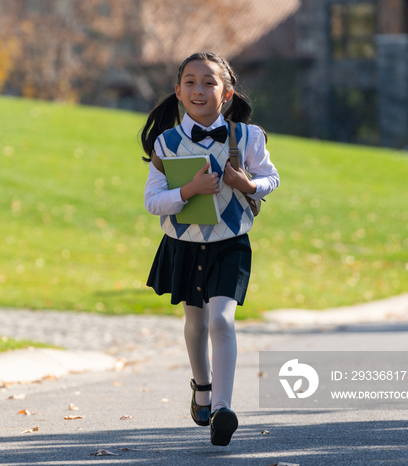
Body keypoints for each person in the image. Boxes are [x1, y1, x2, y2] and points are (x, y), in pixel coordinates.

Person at [141, 52, 279, 446]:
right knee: (196, 322)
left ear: (228, 93)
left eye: (209, 82)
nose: (199, 89)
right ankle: (201, 387)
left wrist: (249, 185)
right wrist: (188, 191)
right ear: (178, 92)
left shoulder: (248, 137)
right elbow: (153, 202)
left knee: (221, 320)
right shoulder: (164, 144)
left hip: (231, 243)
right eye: (190, 82)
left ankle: (222, 408)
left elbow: (271, 177)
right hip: (183, 243)